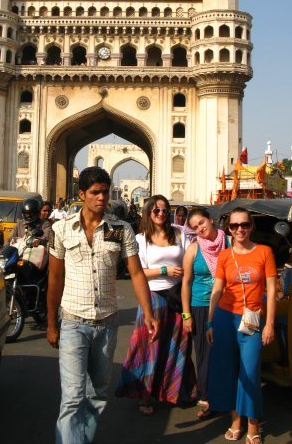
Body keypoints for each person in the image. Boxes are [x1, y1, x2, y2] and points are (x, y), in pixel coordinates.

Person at [47, 167, 159, 444]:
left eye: (105, 192)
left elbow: (135, 273)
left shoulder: (121, 230)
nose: (101, 198)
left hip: (107, 324)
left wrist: (148, 312)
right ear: (82, 194)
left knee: (97, 394)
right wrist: (51, 323)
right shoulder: (60, 229)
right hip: (73, 322)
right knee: (73, 397)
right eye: (95, 192)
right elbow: (55, 278)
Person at [115, 195, 197, 415]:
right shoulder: (141, 239)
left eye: (164, 210)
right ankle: (145, 394)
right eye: (156, 211)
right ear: (148, 213)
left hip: (177, 296)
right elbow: (137, 272)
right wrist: (165, 270)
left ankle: (176, 391)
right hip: (151, 296)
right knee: (150, 345)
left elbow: (193, 259)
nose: (161, 214)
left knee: (178, 344)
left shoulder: (180, 235)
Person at [206, 207, 276, 444]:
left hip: (252, 320)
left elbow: (273, 289)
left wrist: (270, 325)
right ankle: (235, 420)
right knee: (228, 370)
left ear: (251, 226)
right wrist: (209, 321)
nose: (239, 230)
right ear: (229, 229)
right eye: (234, 226)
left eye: (244, 225)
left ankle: (253, 423)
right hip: (225, 317)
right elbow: (217, 290)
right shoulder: (225, 256)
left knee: (250, 370)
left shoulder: (264, 252)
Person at [181, 208, 227, 419]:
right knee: (204, 354)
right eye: (195, 227)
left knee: (225, 353)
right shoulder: (193, 249)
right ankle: (208, 397)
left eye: (202, 222)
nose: (200, 228)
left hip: (226, 305)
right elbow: (186, 282)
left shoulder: (228, 242)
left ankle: (226, 397)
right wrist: (186, 314)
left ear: (211, 219)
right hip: (199, 306)